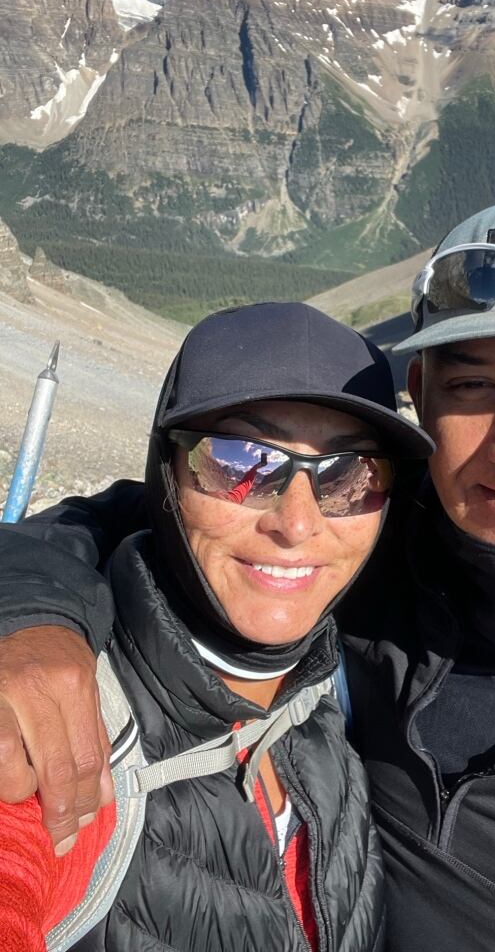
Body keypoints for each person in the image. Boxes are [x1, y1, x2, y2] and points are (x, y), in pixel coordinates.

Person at [0, 197, 495, 951]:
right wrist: (32, 614)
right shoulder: (360, 535)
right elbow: (140, 520)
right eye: (474, 385)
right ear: (422, 399)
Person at [0, 300, 434, 951]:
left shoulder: (326, 689)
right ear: (166, 473)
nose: (296, 523)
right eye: (238, 461)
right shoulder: (60, 713)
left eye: (351, 475)